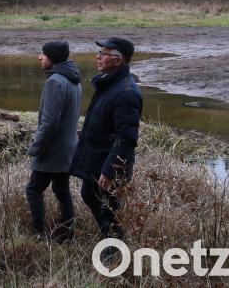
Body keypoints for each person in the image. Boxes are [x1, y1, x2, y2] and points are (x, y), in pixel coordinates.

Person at [69, 37, 142, 246]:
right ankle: (113, 243)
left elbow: (127, 138)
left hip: (108, 162)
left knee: (107, 205)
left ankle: (115, 251)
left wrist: (110, 170)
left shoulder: (126, 93)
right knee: (91, 195)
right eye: (99, 53)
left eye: (103, 54)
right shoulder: (109, 84)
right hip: (98, 156)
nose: (98, 57)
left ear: (118, 60)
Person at [26, 41, 82, 242]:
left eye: (43, 54)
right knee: (61, 189)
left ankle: (38, 234)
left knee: (33, 190)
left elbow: (49, 123)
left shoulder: (55, 82)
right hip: (69, 149)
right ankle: (67, 233)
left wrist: (35, 148)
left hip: (53, 151)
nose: (39, 58)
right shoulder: (74, 80)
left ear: (52, 58)